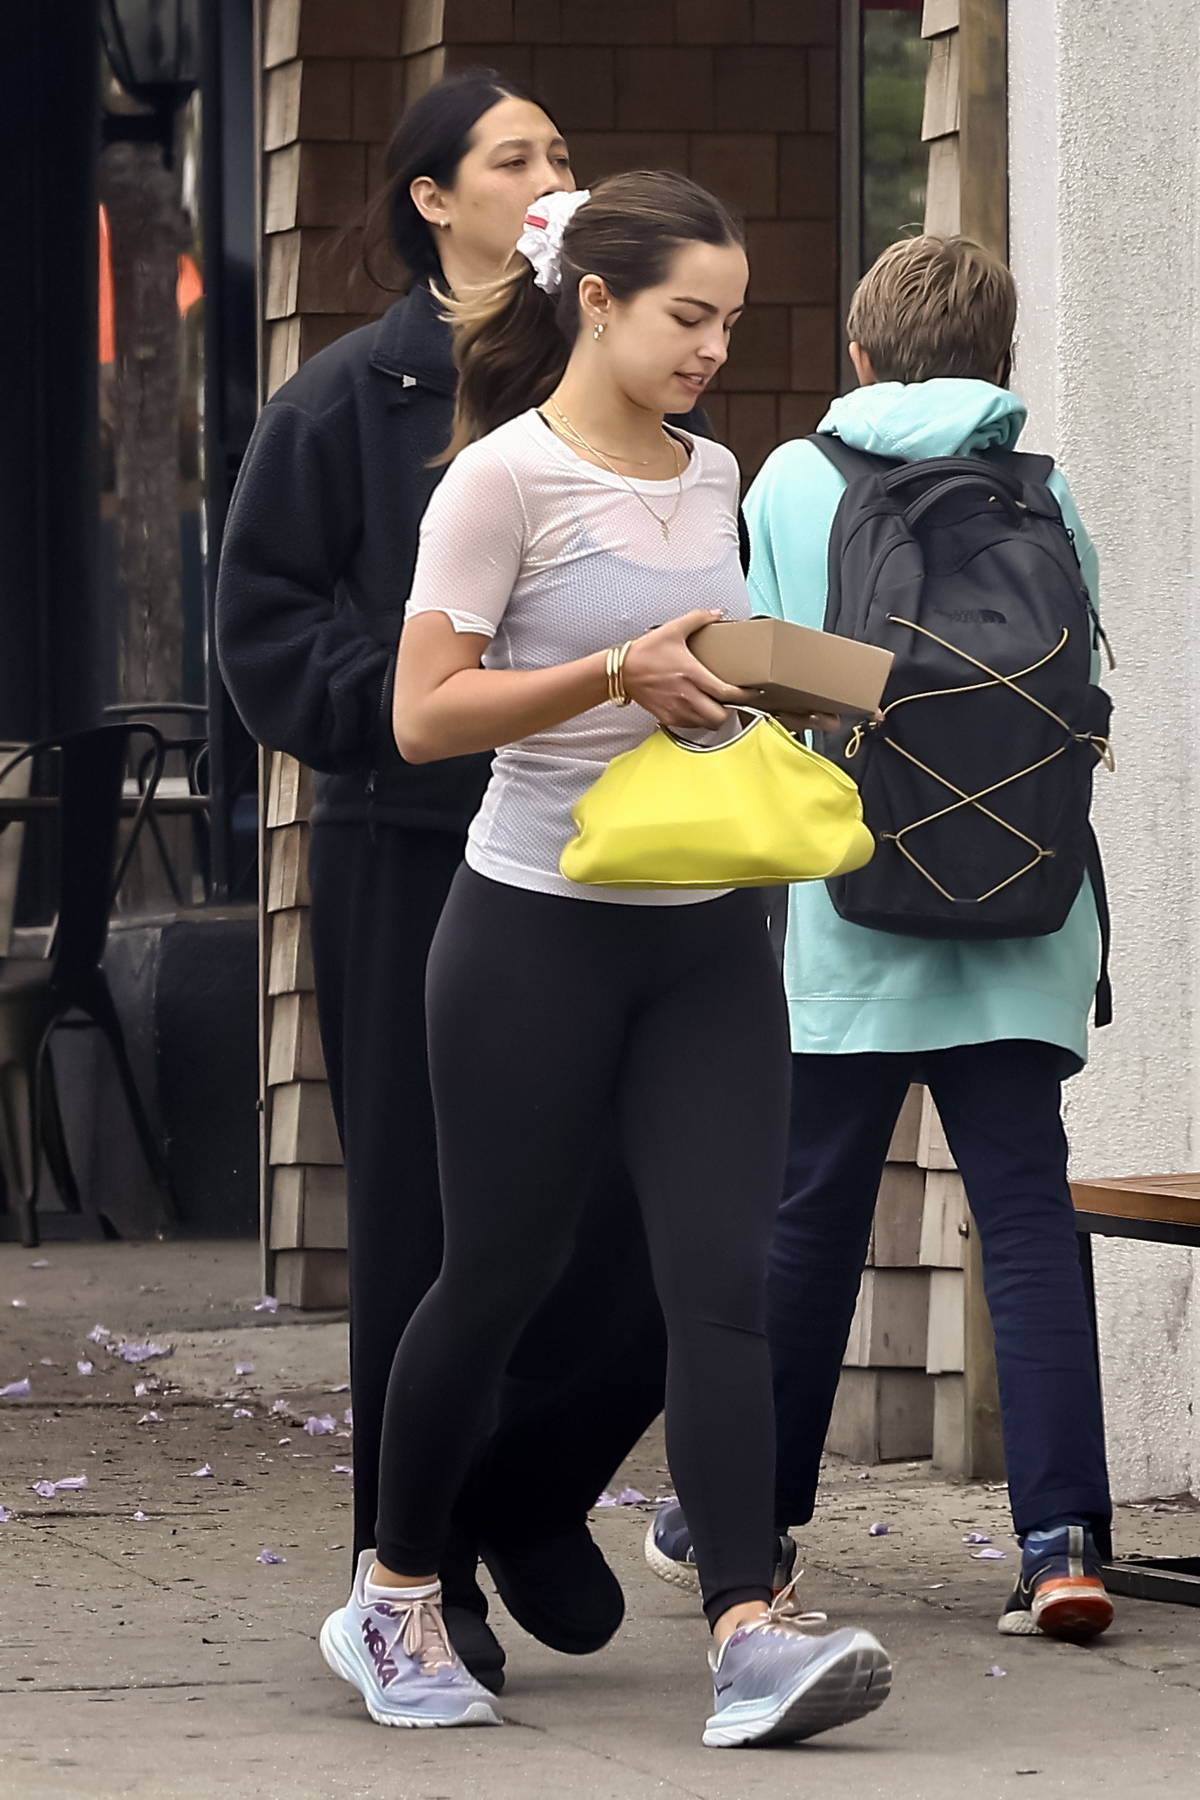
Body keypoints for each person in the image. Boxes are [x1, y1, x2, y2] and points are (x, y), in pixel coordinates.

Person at [315, 170, 893, 1747]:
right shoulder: (498, 482)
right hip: (528, 935)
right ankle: (398, 1590)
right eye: (687, 316)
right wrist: (611, 674)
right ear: (598, 302)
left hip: (705, 930)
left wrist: (758, 686)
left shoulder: (713, 475)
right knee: (492, 1281)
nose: (715, 345)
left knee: (722, 1282)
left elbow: (685, 666)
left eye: (730, 318)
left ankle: (749, 1632)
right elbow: (423, 715)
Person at [216, 70, 675, 1694]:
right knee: (429, 1224)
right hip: (412, 855)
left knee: (654, 1228)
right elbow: (267, 633)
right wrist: (432, 723)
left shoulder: (616, 370)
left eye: (564, 145)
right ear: (436, 199)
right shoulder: (348, 399)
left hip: (621, 853)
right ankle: (414, 1573)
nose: (555, 170)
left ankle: (528, 1491)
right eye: (517, 155)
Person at [646, 234, 1115, 1645]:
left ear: (856, 359)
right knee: (1029, 1225)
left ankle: (747, 1524)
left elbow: (766, 675)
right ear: (1004, 365)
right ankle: (1063, 1545)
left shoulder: (795, 479)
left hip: (851, 915)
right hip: (1029, 922)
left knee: (806, 1222)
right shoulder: (1049, 490)